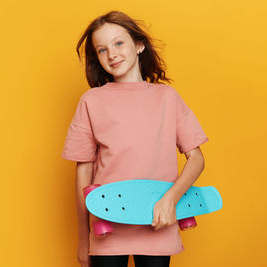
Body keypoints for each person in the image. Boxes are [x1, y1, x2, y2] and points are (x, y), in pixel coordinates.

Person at [61, 10, 208, 267]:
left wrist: (170, 200)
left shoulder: (168, 98)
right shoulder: (91, 102)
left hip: (158, 222)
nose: (112, 54)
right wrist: (83, 239)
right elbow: (83, 173)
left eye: (119, 43)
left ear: (139, 45)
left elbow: (196, 159)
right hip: (107, 229)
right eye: (102, 50)